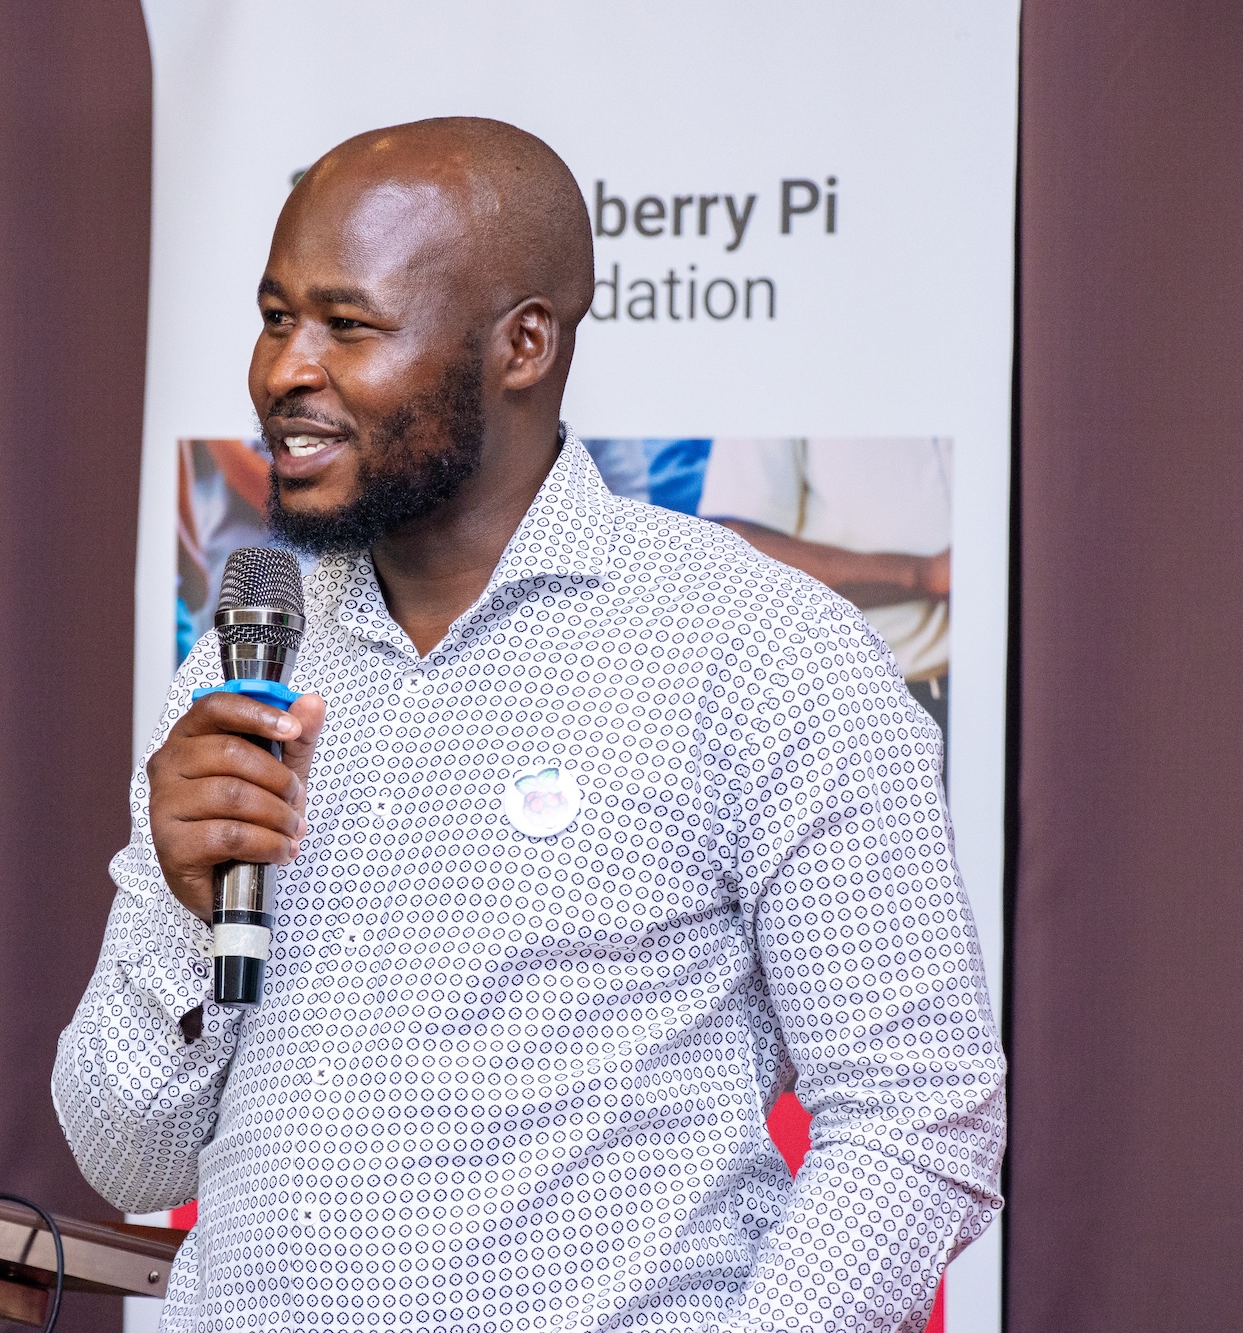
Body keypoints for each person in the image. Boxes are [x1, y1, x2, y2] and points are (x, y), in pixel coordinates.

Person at [53, 118, 1002, 1331]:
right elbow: (124, 1160)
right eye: (274, 315)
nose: (282, 370)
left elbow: (921, 1112)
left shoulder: (758, 647)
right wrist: (186, 923)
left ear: (522, 343)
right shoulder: (239, 669)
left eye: (346, 325)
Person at [697, 438, 953, 737]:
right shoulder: (771, 394)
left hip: (998, 686)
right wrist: (924, 574)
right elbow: (739, 555)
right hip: (859, 710)